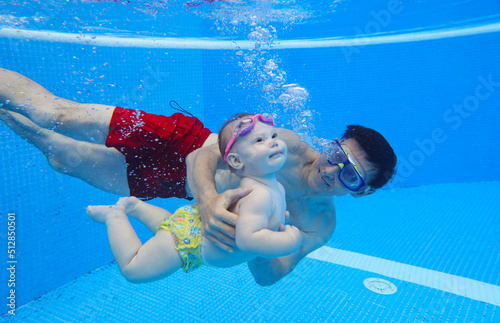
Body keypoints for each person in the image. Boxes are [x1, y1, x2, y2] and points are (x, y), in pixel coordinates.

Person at [0, 67, 397, 285]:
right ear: (330, 144)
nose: (330, 172)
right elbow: (200, 158)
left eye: (350, 177)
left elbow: (269, 276)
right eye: (336, 156)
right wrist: (208, 204)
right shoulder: (289, 145)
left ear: (361, 193)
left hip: (175, 185)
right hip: (186, 145)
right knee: (58, 114)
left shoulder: (319, 224)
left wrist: (263, 242)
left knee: (62, 158)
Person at [86, 113, 302, 283]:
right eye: (259, 140)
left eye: (274, 136)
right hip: (190, 243)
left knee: (170, 228)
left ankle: (135, 206)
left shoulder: (277, 188)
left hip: (193, 228)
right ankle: (115, 216)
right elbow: (248, 239)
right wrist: (291, 240)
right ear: (236, 161)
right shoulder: (259, 194)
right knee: (133, 270)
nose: (273, 143)